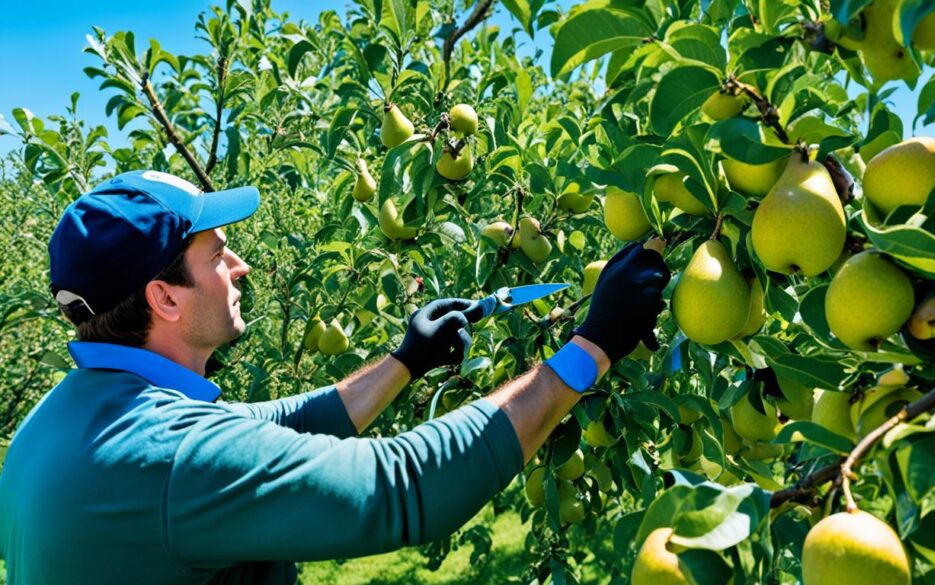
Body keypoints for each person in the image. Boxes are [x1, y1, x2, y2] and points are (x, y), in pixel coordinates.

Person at [0, 170, 669, 584]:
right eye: (217, 253)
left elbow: (270, 426)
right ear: (164, 298)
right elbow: (407, 487)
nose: (241, 266)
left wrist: (407, 360)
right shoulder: (172, 457)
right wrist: (590, 348)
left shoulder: (58, 424)